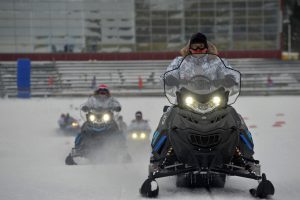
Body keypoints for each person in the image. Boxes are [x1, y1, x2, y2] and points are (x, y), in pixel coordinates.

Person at [152, 32, 254, 160]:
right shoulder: (180, 61)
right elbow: (167, 74)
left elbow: (230, 71)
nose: (198, 50)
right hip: (185, 101)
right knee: (168, 117)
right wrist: (170, 78)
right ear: (189, 48)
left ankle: (244, 155)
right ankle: (158, 155)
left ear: (207, 47)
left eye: (201, 46)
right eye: (194, 47)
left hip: (214, 100)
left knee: (234, 117)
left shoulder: (216, 62)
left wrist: (230, 78)